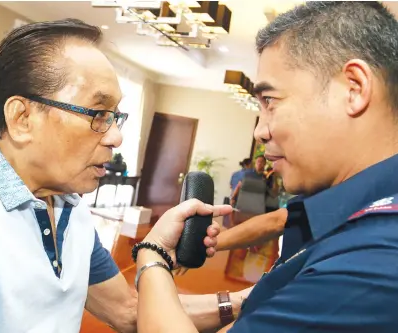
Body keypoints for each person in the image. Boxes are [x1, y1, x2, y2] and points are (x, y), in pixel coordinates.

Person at [133, 2, 398, 332]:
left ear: (353, 89)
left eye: (270, 102)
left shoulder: (375, 260)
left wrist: (152, 254)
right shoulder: (340, 207)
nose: (260, 131)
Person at [0, 19, 251, 333]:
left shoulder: (70, 207)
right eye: (98, 114)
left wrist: (249, 299)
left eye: (115, 116)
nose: (116, 137)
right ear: (22, 118)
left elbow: (128, 310)